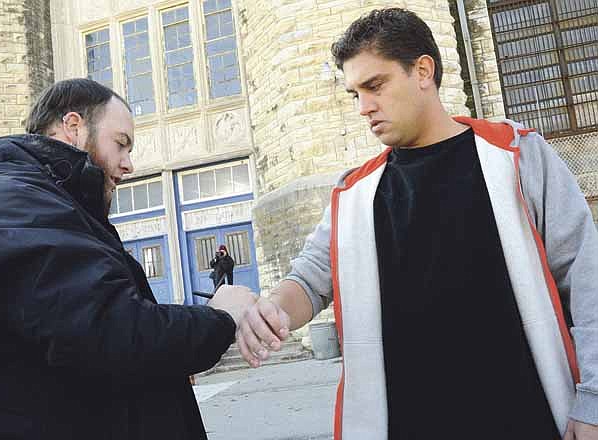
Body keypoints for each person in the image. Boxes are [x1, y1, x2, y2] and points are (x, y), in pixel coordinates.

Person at [228, 8, 598, 440]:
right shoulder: (355, 194)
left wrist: (591, 400)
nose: (364, 108)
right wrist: (271, 309)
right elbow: (309, 280)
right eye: (355, 94)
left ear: (423, 71)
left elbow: (587, 279)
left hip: (527, 418)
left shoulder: (517, 156)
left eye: (375, 85)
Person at [0, 78, 254, 440]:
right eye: (121, 144)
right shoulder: (6, 203)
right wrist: (221, 316)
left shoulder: (45, 204)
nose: (129, 164)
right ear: (73, 127)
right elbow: (108, 332)